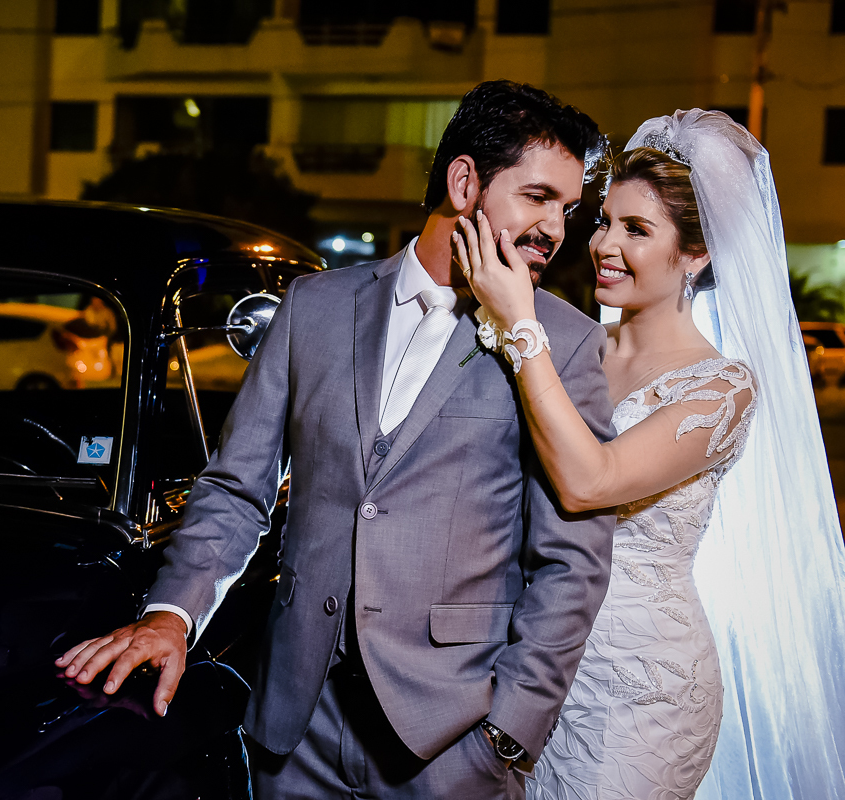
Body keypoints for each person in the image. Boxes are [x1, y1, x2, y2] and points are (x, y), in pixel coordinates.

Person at [57, 80, 615, 799]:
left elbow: (572, 562)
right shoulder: (314, 307)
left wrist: (509, 731)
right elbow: (238, 487)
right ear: (465, 181)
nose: (556, 229)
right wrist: (170, 615)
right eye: (537, 197)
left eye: (566, 209)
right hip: (297, 727)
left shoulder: (564, 346)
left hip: (452, 741)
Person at [458, 110, 845, 800]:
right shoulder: (574, 350)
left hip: (639, 695)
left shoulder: (722, 389)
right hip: (531, 667)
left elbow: (587, 482)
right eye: (605, 221)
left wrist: (519, 325)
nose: (604, 243)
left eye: (637, 230)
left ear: (697, 254)